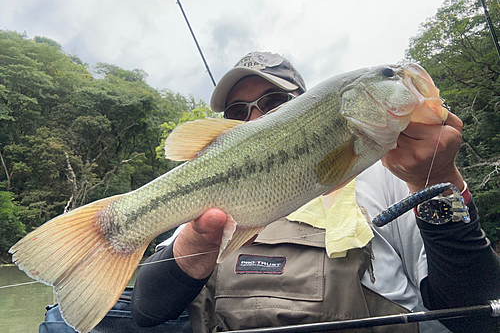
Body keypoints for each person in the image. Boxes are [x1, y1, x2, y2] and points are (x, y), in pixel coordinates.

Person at [131, 52, 500, 333]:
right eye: (238, 111)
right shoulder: (211, 198)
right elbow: (147, 309)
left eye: (274, 103)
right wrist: (193, 248)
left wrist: (434, 184)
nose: (257, 119)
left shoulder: (391, 171)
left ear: (310, 106)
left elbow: (478, 315)